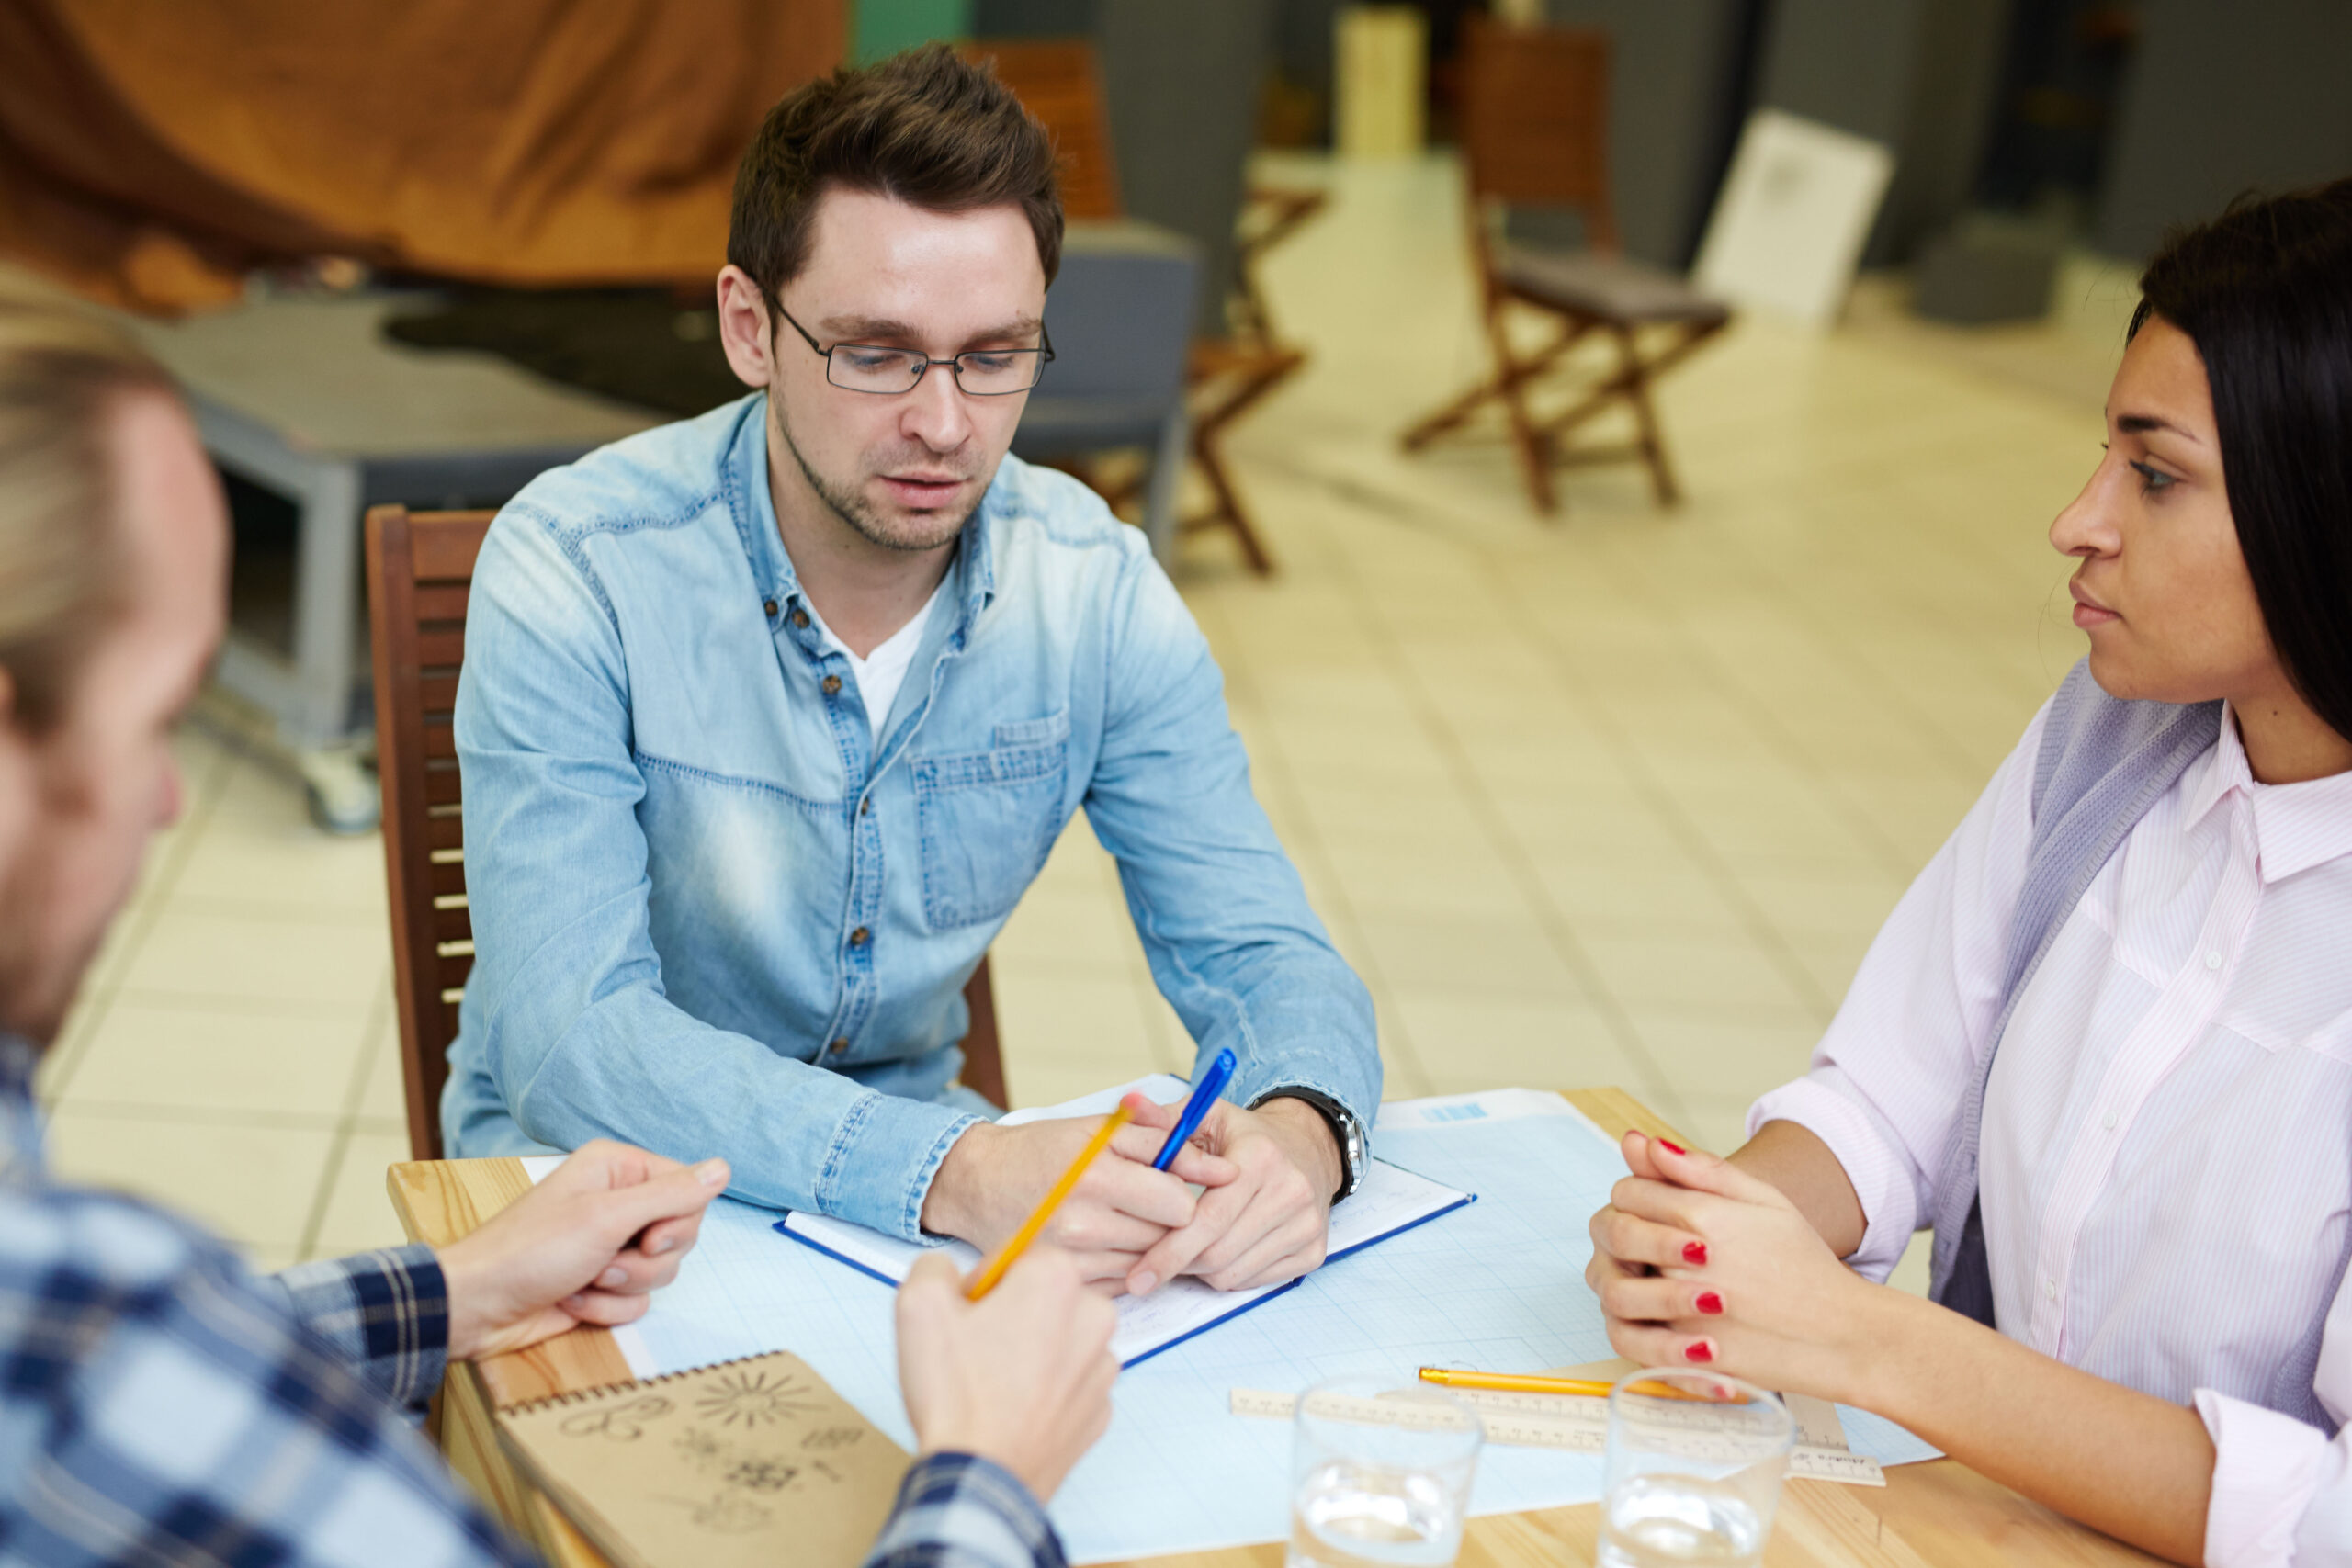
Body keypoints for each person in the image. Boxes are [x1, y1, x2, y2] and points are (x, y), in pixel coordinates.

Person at [0, 289, 1121, 1566]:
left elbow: (128, 1360)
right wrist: (985, 1479)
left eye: (992, 356)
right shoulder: (89, 1326)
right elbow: (111, 1361)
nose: (167, 800)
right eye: (152, 717)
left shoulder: (86, 1324)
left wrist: (443, 1293)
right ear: (753, 330)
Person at [444, 45, 1379, 1301]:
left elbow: (1265, 950)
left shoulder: (1091, 589)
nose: (945, 424)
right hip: (594, 1211)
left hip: (917, 1216)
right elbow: (569, 1042)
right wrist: (957, 1171)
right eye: (878, 353)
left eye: (995, 357)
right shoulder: (578, 568)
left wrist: (1298, 1139)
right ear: (747, 328)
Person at [1583, 179, 2352, 1567]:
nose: (2078, 522)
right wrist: (1717, 1242)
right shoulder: (2116, 733)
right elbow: (1892, 1091)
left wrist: (1864, 1341)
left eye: (2155, 476)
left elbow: (2331, 1516)